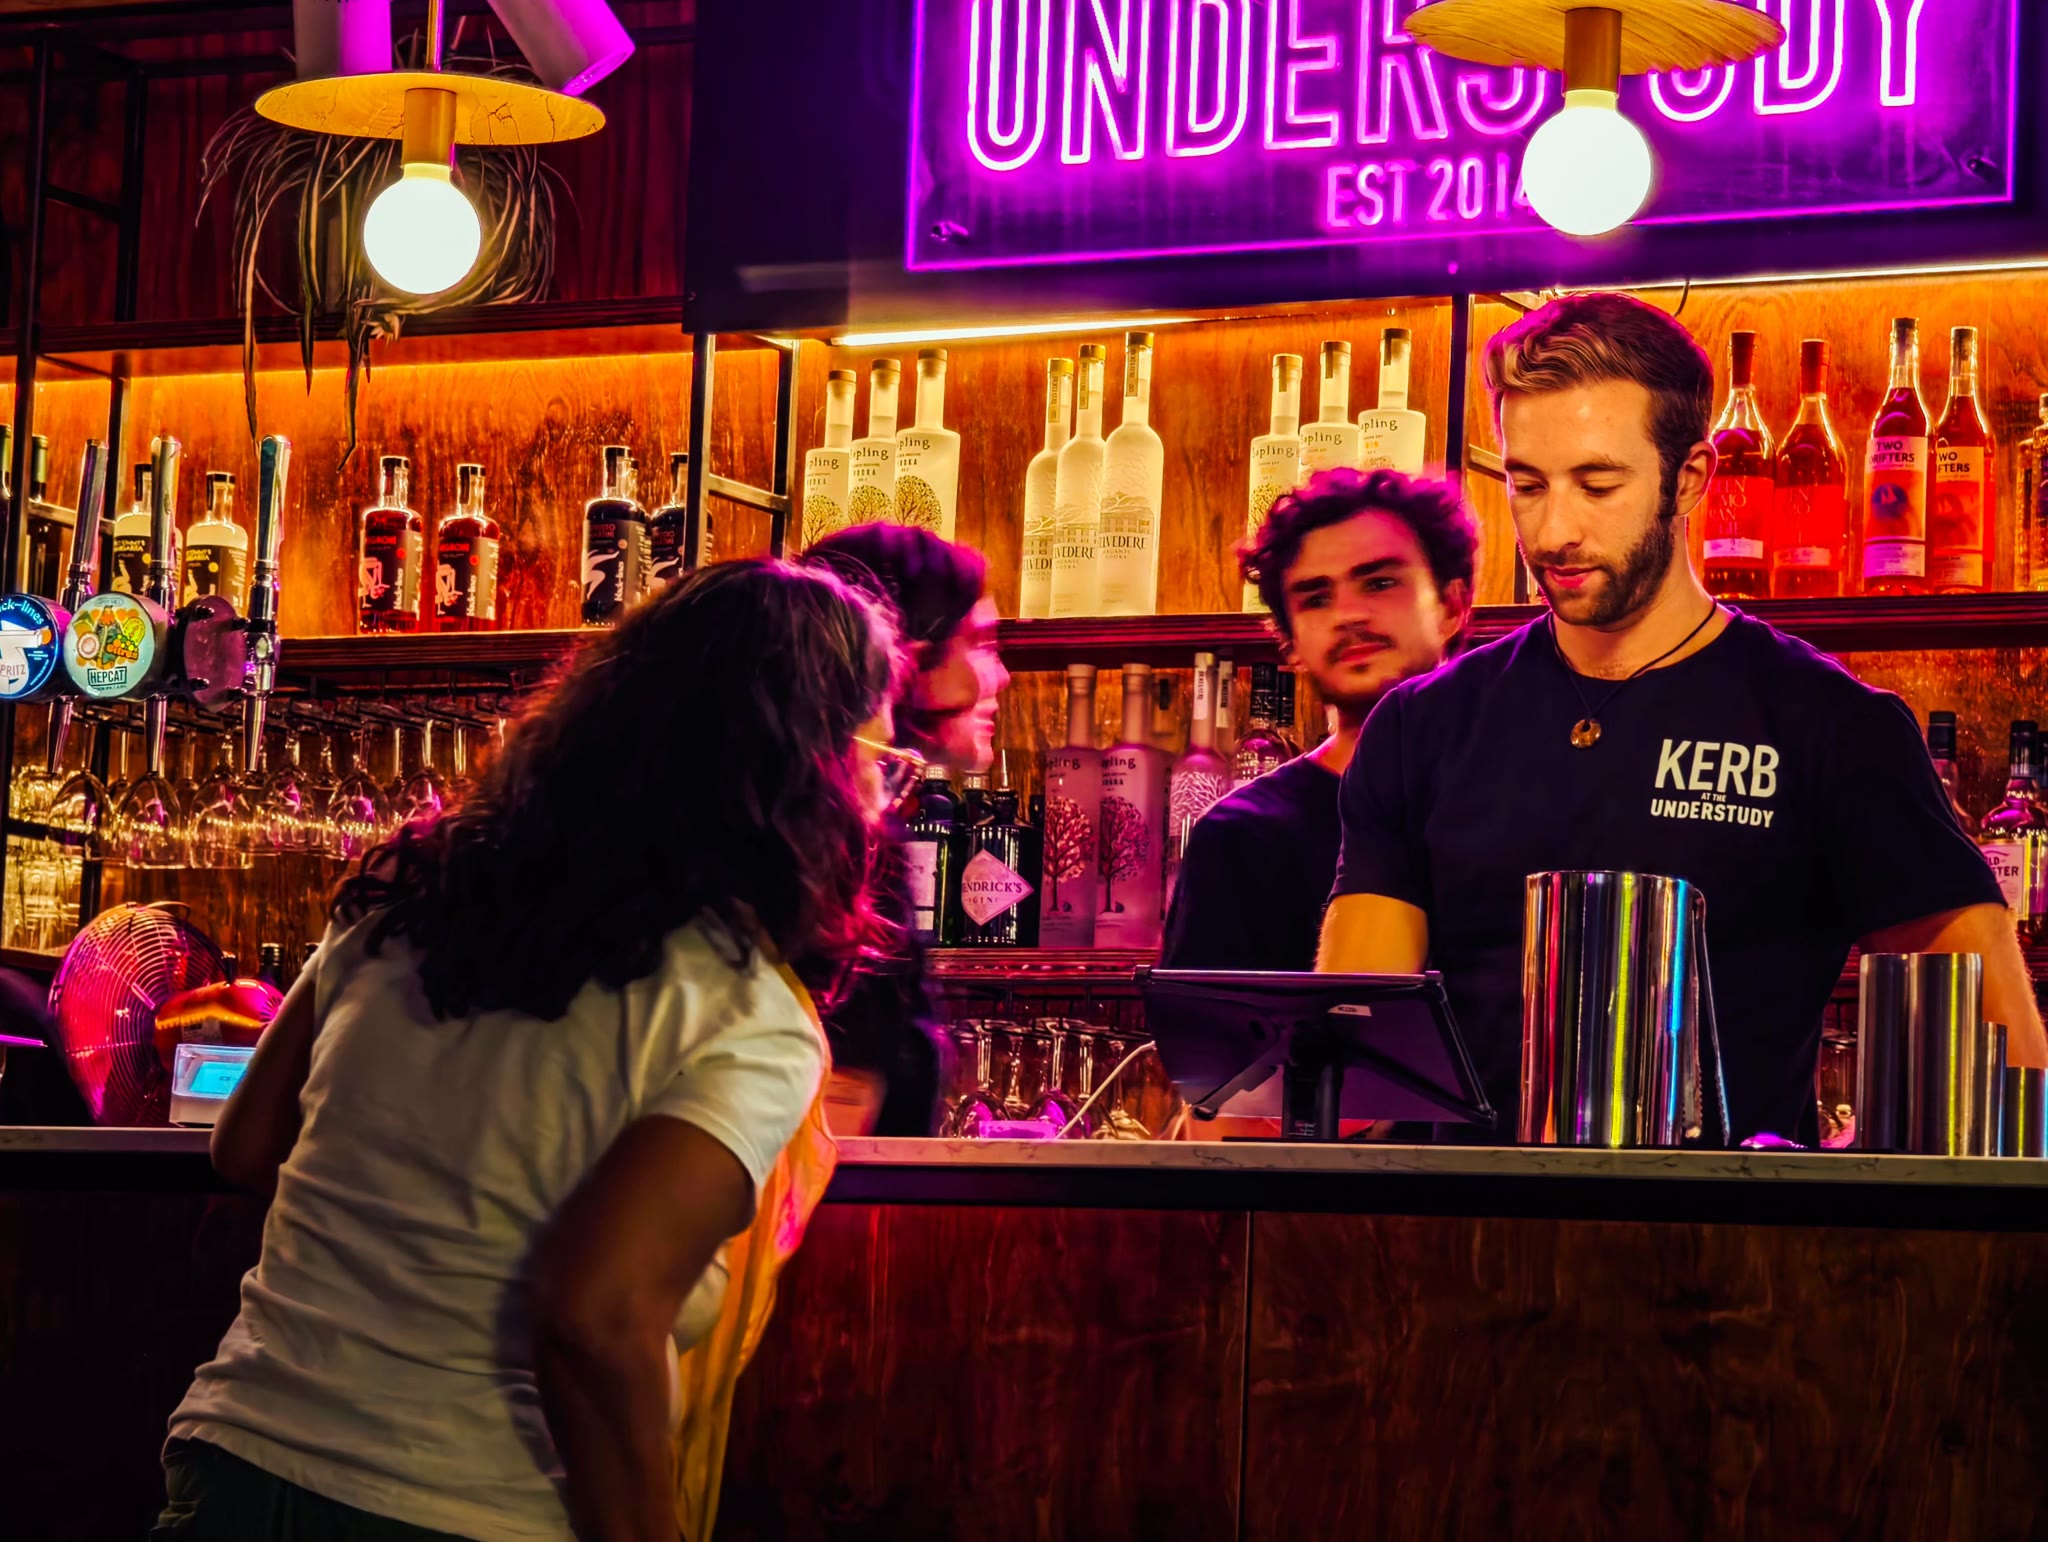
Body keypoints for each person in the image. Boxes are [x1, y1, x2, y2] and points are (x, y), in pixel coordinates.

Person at [157, 559, 910, 1542]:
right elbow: (595, 1319)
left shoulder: (406, 894)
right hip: (463, 1509)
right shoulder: (745, 1014)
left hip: (235, 1462)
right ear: (805, 768)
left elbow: (247, 1142)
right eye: (879, 759)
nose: (883, 796)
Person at [1318, 292, 2046, 1143]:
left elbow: (2000, 1058)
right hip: (1456, 1221)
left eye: (1597, 485)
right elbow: (1353, 1054)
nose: (1554, 531)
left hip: (1723, 1221)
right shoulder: (1423, 726)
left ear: (1690, 478)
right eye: (1528, 485)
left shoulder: (1831, 725)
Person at [1162, 468, 1475, 970]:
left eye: (1380, 583)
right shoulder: (1241, 838)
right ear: (1290, 642)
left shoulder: (1517, 803)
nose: (1348, 614)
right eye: (1316, 598)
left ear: (1452, 606)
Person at [803, 523, 1011, 1135]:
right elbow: (833, 1113)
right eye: (979, 644)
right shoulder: (831, 853)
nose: (999, 677)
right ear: (902, 656)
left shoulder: (859, 835)